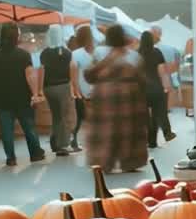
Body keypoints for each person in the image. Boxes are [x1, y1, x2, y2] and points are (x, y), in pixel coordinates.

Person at [84, 25, 147, 173]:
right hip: (130, 97)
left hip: (104, 96)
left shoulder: (99, 52)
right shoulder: (134, 55)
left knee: (105, 131)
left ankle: (103, 161)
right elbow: (142, 80)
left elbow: (90, 76)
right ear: (124, 38)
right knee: (129, 130)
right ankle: (130, 161)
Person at [0, 22, 45, 166]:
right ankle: (35, 153)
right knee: (29, 127)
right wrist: (35, 94)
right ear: (16, 37)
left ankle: (11, 158)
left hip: (1, 99)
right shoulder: (23, 55)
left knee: (6, 130)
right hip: (22, 98)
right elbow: (30, 75)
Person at [39, 24, 78, 156]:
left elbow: (41, 70)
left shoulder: (44, 53)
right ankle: (62, 145)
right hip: (63, 87)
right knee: (64, 117)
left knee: (56, 115)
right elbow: (72, 70)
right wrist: (74, 88)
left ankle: (54, 141)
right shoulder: (67, 53)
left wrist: (40, 89)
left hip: (48, 88)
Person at [139, 31, 174, 148]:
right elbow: (162, 72)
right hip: (156, 88)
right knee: (157, 114)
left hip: (141, 89)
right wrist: (167, 86)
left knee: (145, 116)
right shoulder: (157, 52)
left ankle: (149, 140)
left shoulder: (136, 54)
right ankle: (160, 137)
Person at [70, 26, 95, 152]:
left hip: (88, 91)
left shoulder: (76, 54)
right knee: (81, 118)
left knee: (81, 118)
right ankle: (74, 140)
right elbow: (73, 76)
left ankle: (77, 140)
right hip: (84, 91)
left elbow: (74, 77)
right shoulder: (76, 54)